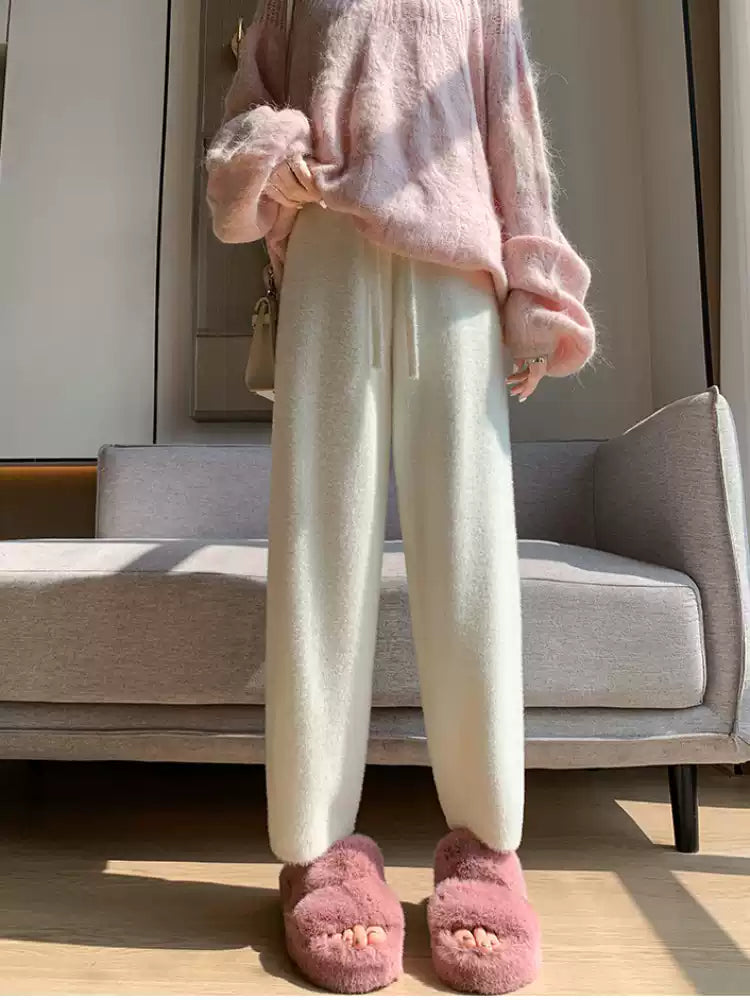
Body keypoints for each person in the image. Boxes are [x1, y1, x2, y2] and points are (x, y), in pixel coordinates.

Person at [206, 0, 598, 993]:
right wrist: (277, 154)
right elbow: (248, 107)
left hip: (456, 277)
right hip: (328, 257)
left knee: (471, 566)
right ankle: (317, 848)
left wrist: (531, 291)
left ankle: (487, 849)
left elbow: (512, 130)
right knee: (318, 557)